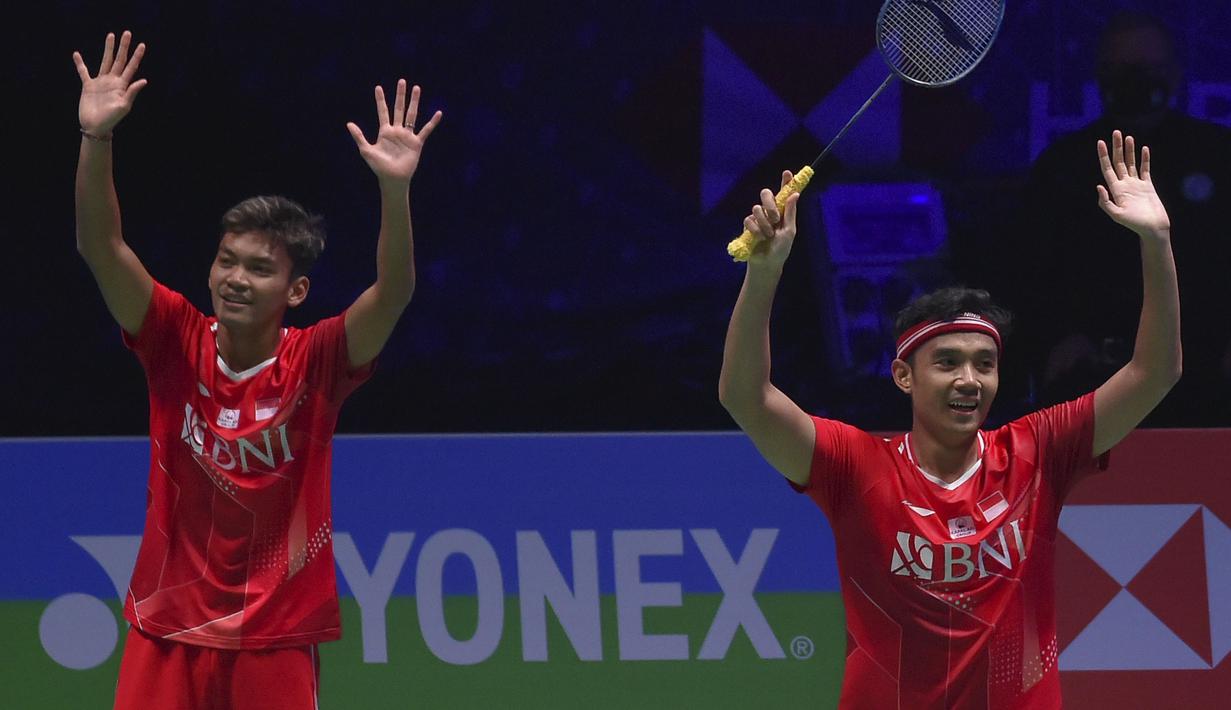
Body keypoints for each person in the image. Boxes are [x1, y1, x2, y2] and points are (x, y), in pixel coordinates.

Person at [718, 129, 1179, 708]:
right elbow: (745, 396)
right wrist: (763, 275)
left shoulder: (1037, 452)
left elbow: (1154, 373)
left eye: (984, 364)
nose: (969, 380)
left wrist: (1156, 242)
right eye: (948, 363)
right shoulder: (854, 465)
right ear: (904, 376)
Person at [72, 31, 441, 709]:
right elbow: (102, 246)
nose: (234, 279)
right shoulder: (172, 339)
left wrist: (395, 191)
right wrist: (97, 140)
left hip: (273, 638)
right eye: (226, 261)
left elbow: (393, 294)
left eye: (259, 268)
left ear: (295, 291)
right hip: (166, 629)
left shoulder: (319, 361)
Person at [1018, 11, 1231, 425]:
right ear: (1101, 75)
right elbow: (1030, 272)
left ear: (1174, 73)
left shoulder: (1219, 156)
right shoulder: (1064, 167)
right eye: (1123, 69)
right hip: (1094, 378)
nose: (1136, 80)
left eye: (1149, 69)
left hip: (1208, 378)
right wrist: (1054, 341)